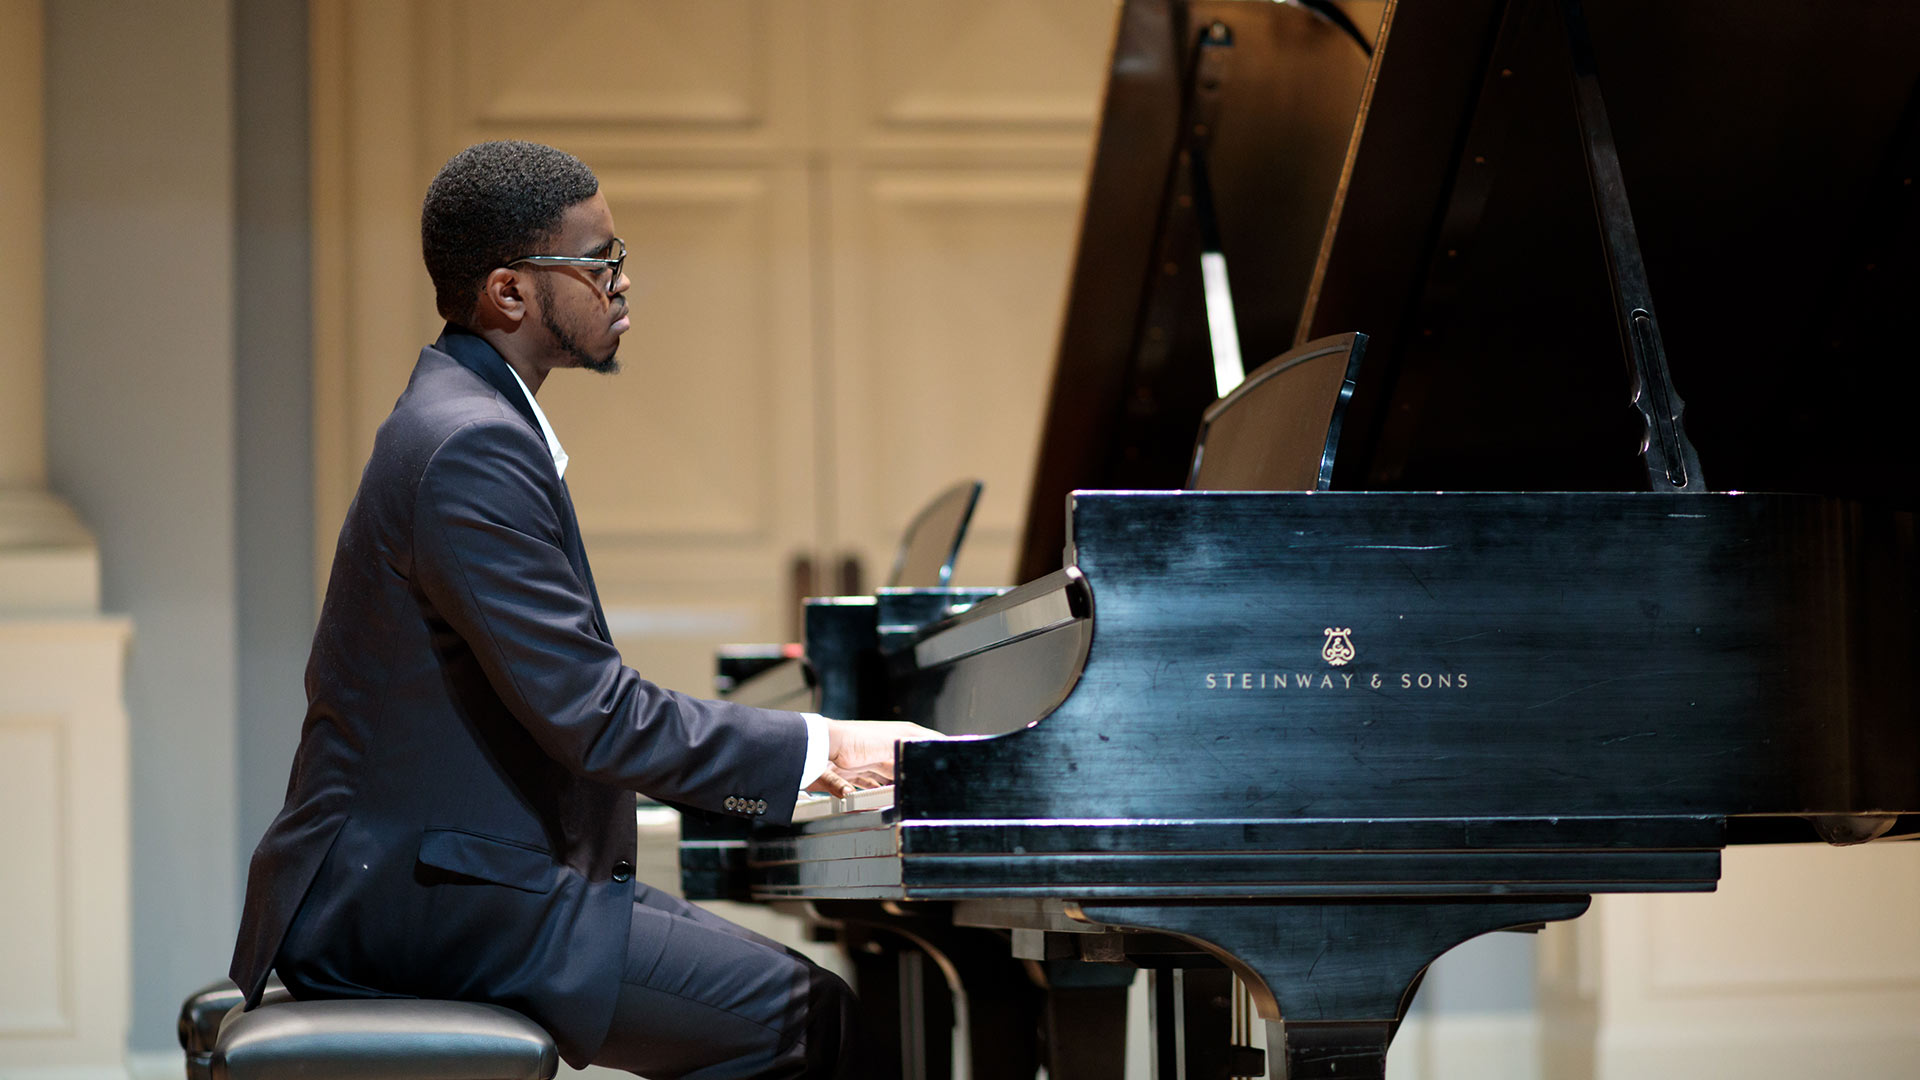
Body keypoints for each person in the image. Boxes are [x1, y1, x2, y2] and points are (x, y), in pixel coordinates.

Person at [230, 140, 933, 1080]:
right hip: (414, 902)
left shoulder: (468, 419)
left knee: (813, 1006)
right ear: (510, 293)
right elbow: (597, 716)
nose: (624, 284)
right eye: (601, 264)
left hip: (446, 878)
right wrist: (833, 750)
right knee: (805, 1022)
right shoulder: (470, 447)